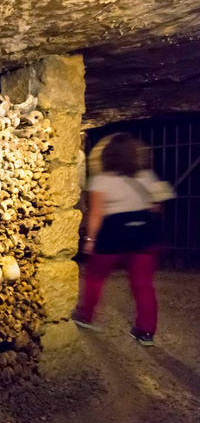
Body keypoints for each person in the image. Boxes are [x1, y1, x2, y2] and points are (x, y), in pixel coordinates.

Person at [73, 133, 173, 346]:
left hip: (113, 236)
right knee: (143, 285)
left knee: (95, 277)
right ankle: (146, 332)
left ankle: (86, 316)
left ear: (107, 156)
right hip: (143, 239)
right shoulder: (146, 176)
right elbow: (157, 206)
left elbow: (97, 213)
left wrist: (90, 239)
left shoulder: (100, 180)